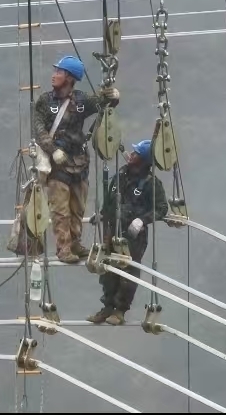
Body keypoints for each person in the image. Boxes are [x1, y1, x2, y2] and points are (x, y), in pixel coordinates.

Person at [32, 55, 120, 264]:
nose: (54, 76)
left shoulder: (81, 100)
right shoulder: (45, 101)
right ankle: (63, 248)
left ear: (70, 78)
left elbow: (102, 103)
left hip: (79, 161)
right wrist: (52, 150)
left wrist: (112, 96)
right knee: (60, 209)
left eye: (59, 72)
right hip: (57, 163)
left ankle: (75, 242)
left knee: (77, 207)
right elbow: (39, 129)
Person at [87, 139, 169, 326]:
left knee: (128, 272)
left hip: (133, 235)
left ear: (144, 159)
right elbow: (110, 200)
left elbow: (162, 208)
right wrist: (101, 215)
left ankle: (120, 310)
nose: (131, 155)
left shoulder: (151, 183)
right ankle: (107, 307)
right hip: (113, 229)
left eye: (136, 153)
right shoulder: (121, 175)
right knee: (107, 269)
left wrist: (143, 220)